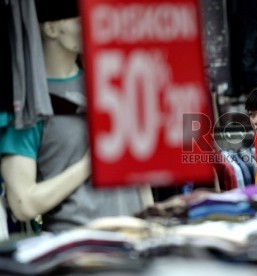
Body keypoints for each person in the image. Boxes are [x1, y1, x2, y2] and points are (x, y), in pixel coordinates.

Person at [0, 0, 149, 233]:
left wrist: (150, 222)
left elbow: (138, 176)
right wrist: (90, 164)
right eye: (80, 21)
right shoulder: (29, 106)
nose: (91, 26)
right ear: (51, 29)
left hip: (135, 242)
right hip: (76, 250)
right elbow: (23, 204)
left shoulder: (109, 86)